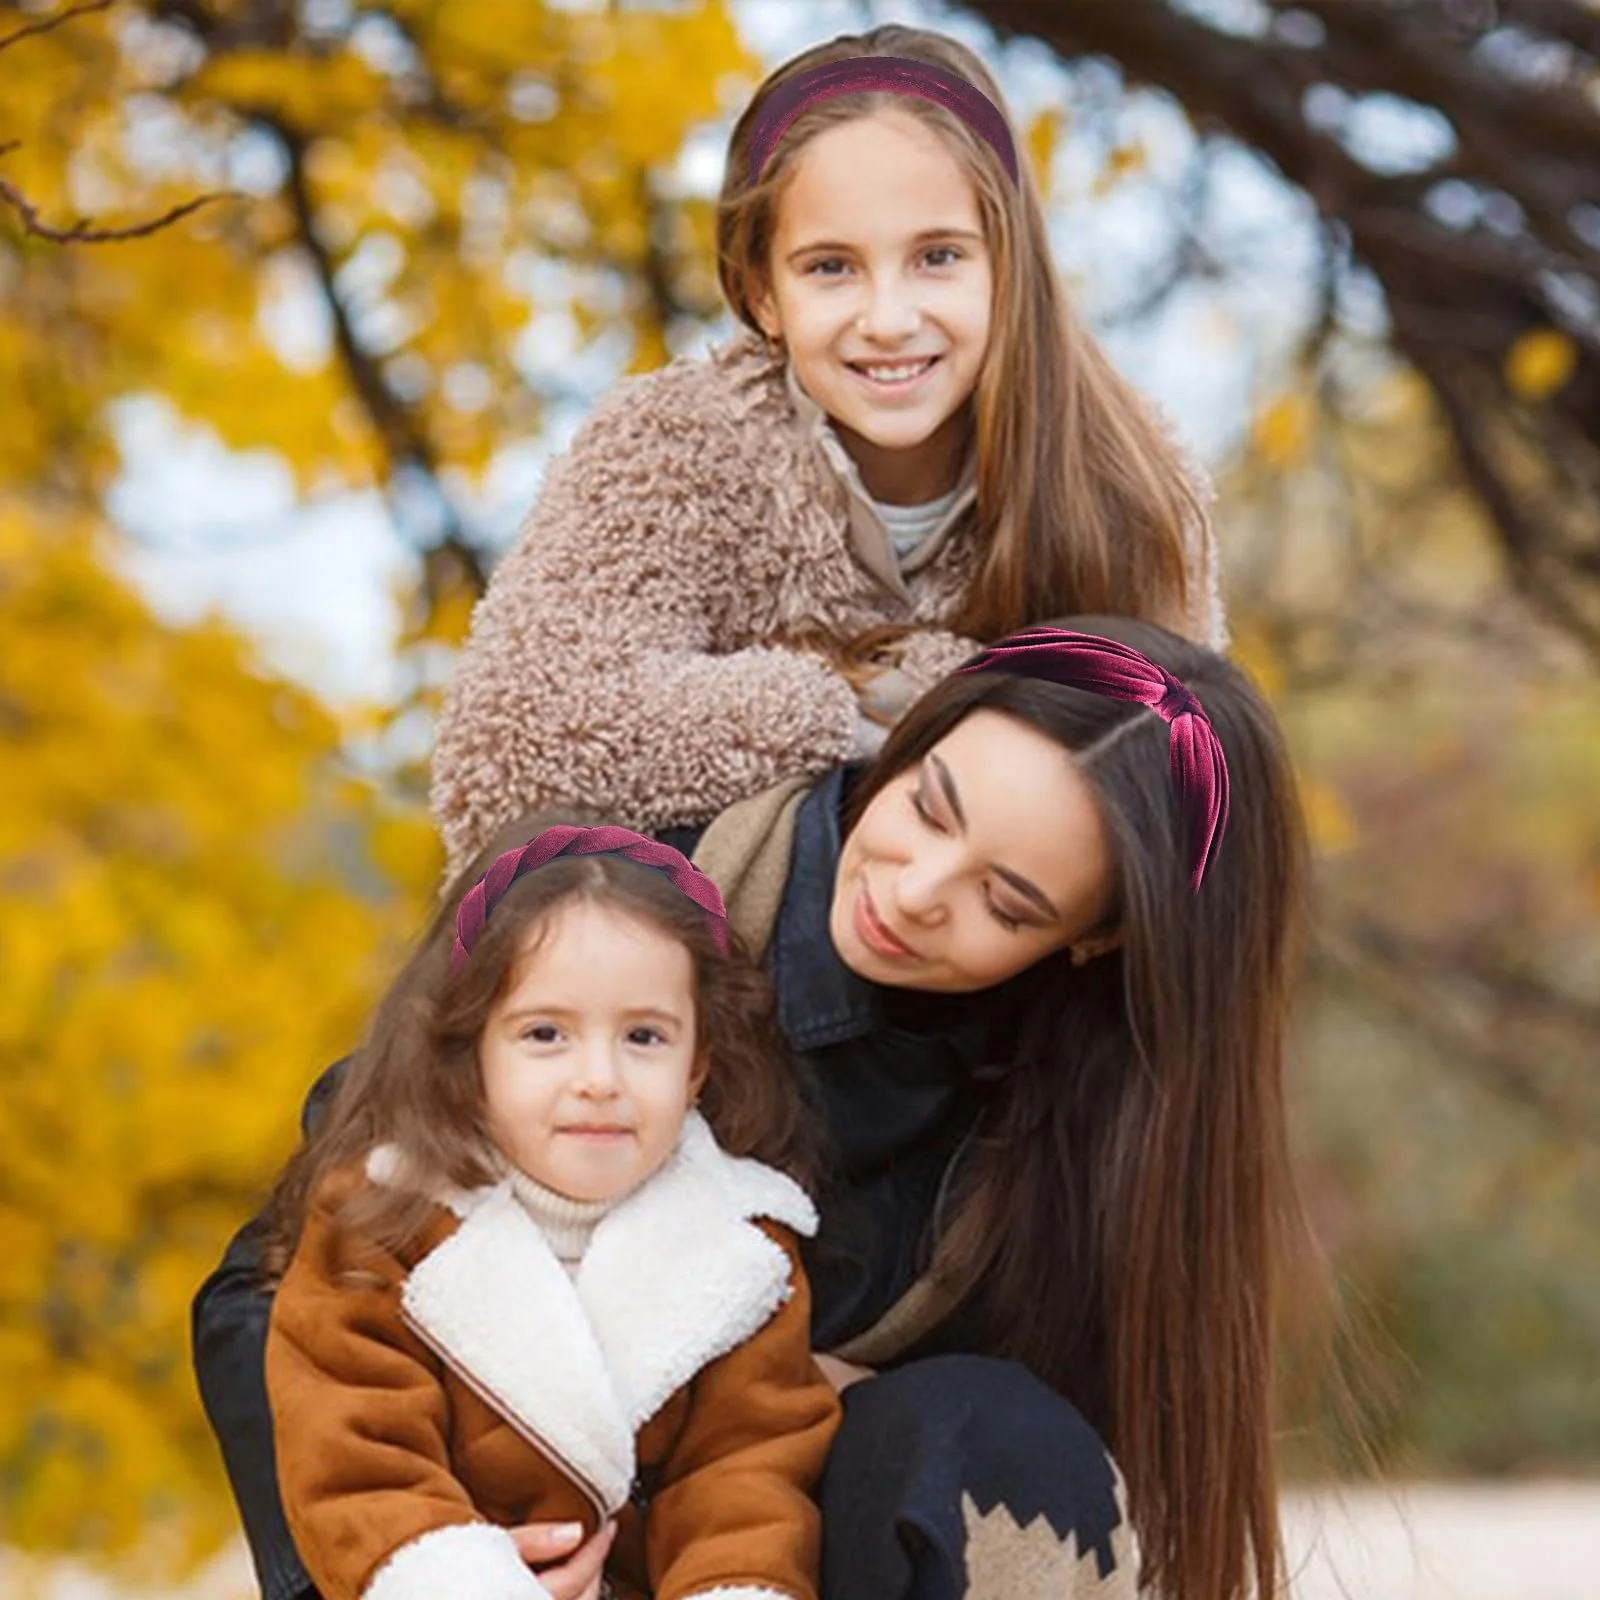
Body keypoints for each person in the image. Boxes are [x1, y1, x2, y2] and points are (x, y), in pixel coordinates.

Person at [195, 617, 1319, 1600]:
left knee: (997, 1430)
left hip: (759, 1551)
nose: (915, 892)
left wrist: (797, 1382)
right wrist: (430, 1558)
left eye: (1005, 899)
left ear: (1093, 937)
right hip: (458, 1523)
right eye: (927, 807)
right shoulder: (626, 912)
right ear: (915, 735)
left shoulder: (1073, 1147)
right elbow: (280, 1276)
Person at [429, 23, 1224, 879]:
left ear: (1010, 264)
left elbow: (1170, 795)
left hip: (1002, 984)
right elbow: (507, 749)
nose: (887, 318)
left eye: (938, 257)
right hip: (696, 976)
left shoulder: (1126, 480)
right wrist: (849, 707)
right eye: (831, 268)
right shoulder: (673, 446)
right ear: (762, 292)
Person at [261, 825, 840, 1600]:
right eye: (545, 1034)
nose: (599, 1078)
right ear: (471, 1052)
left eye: (643, 1036)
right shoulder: (385, 1217)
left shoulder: (747, 1254)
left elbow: (746, 1479)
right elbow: (353, 1452)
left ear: (696, 1065)